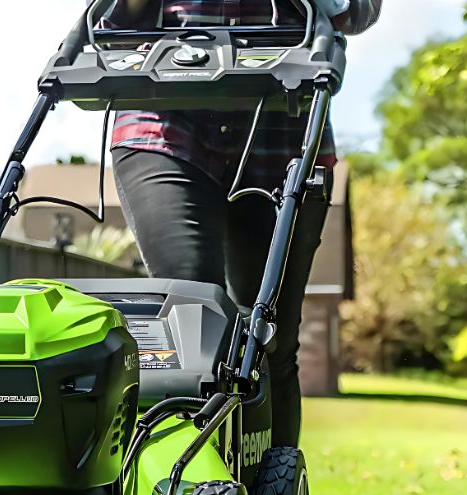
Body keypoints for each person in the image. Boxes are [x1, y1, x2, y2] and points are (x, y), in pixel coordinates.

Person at [107, 0, 382, 448]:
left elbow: (356, 12)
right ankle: (184, 491)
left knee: (269, 337)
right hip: (163, 110)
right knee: (191, 318)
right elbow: (114, 14)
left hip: (284, 119)